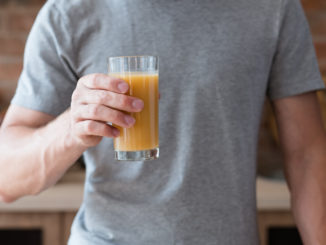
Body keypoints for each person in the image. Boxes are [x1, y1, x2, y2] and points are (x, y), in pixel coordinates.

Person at [0, 0, 325, 244]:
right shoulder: (68, 13)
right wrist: (72, 128)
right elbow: (7, 178)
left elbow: (308, 156)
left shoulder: (271, 7)